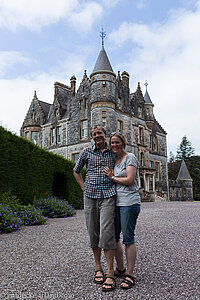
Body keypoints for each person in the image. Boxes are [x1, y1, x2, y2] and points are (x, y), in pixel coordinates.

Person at [73, 125, 117, 292]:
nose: (97, 136)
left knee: (107, 232)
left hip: (108, 195)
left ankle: (110, 271)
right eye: (94, 134)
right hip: (90, 196)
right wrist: (83, 187)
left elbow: (122, 166)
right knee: (93, 232)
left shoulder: (113, 152)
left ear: (105, 134)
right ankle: (98, 267)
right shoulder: (87, 152)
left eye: (99, 133)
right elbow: (76, 171)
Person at [104, 132, 141, 290]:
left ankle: (130, 274)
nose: (114, 145)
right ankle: (120, 269)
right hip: (116, 203)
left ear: (122, 143)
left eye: (117, 142)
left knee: (128, 239)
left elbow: (130, 180)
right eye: (112, 143)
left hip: (129, 203)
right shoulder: (114, 159)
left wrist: (112, 178)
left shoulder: (129, 157)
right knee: (114, 238)